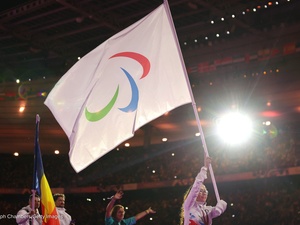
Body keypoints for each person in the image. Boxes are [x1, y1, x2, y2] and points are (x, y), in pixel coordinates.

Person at [180, 156, 227, 225]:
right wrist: (205, 168)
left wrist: (221, 205)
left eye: (205, 191)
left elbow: (217, 211)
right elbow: (196, 187)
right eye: (201, 191)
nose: (204, 192)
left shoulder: (208, 210)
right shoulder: (188, 205)